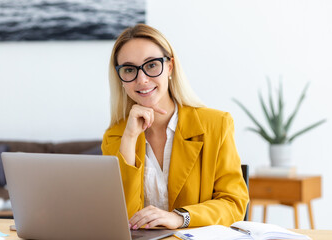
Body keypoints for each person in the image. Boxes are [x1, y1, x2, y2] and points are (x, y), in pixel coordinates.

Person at [101, 24, 249, 230]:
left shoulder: (216, 124)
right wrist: (129, 138)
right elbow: (121, 219)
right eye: (129, 69)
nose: (141, 79)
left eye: (151, 65)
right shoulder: (115, 136)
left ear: (169, 67)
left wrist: (180, 218)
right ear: (121, 79)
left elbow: (234, 204)